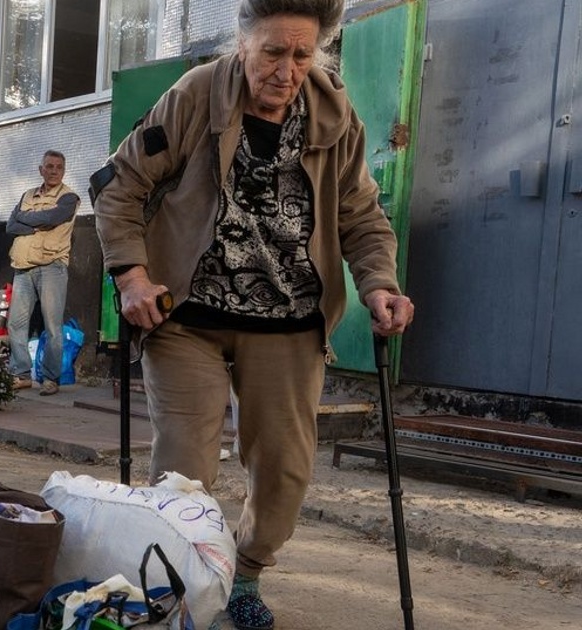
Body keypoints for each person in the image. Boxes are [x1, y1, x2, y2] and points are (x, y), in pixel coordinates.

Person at [91, 1, 415, 629]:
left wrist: (379, 284)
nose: (286, 70)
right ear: (242, 45)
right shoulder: (195, 96)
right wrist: (131, 276)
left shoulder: (335, 114)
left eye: (301, 54)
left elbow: (361, 216)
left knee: (286, 471)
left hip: (290, 319)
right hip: (186, 315)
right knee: (185, 470)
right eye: (272, 52)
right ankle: (179, 585)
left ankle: (244, 574)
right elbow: (121, 185)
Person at [6, 150, 80, 396]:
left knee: (53, 326)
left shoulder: (69, 197)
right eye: (49, 166)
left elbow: (54, 216)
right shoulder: (27, 195)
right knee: (16, 324)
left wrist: (25, 220)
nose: (54, 170)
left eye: (59, 167)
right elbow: (10, 225)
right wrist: (35, 224)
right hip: (23, 267)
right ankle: (21, 375)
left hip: (52, 267)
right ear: (41, 169)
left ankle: (51, 378)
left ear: (63, 170)